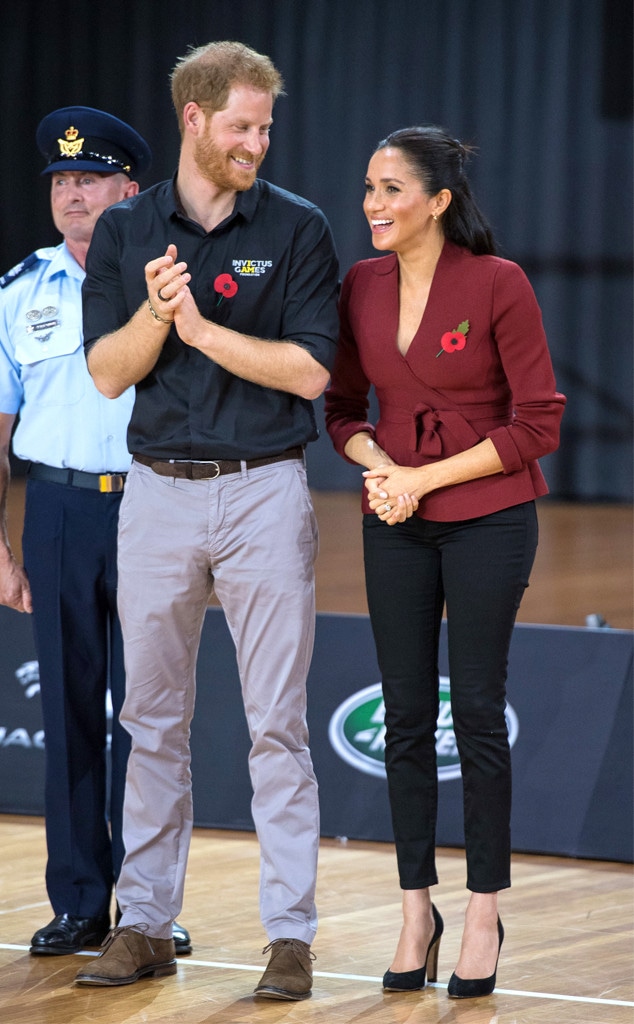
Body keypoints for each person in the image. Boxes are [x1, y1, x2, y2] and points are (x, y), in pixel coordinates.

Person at [73, 41, 339, 997]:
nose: (257, 144)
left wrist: (200, 331)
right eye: (241, 126)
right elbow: (107, 373)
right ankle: (144, 921)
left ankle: (291, 938)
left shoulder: (300, 227)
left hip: (265, 489)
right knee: (152, 720)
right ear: (194, 118)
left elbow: (311, 371)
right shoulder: (124, 231)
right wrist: (154, 315)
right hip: (156, 494)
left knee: (278, 727)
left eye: (264, 128)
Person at [325, 125, 565, 999]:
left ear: (439, 200)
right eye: (367, 187)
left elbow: (538, 424)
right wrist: (383, 472)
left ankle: (482, 909)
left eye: (391, 189)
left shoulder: (498, 284)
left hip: (488, 519)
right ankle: (415, 908)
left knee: (474, 717)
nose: (372, 206)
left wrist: (421, 476)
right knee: (404, 722)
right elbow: (343, 409)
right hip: (395, 514)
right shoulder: (360, 284)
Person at [0, 107, 191, 958]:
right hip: (61, 513)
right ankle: (79, 900)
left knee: (154, 717)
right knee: (74, 710)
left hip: (156, 506)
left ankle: (149, 907)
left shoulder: (169, 277)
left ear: (129, 190)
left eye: (90, 179)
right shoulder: (19, 294)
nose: (73, 194)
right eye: (61, 182)